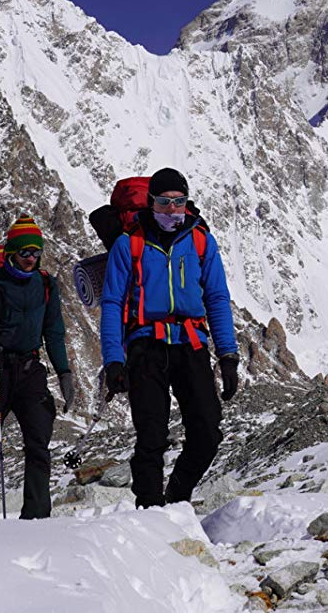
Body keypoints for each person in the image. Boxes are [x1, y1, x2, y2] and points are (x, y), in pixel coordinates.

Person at [99, 168, 239, 508]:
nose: (172, 210)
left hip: (190, 344)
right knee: (151, 436)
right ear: (151, 202)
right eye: (164, 202)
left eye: (179, 202)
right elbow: (113, 302)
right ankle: (149, 512)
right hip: (145, 346)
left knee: (207, 431)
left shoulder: (201, 240)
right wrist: (114, 359)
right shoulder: (128, 242)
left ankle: (177, 495)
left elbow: (217, 297)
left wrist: (228, 356)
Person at [0, 214, 75, 519]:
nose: (30, 258)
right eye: (25, 252)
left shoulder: (46, 285)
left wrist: (64, 372)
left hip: (29, 370)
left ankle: (37, 515)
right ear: (11, 252)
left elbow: (53, 333)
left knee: (38, 442)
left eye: (36, 252)